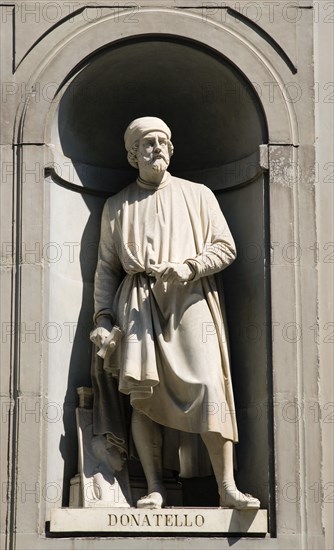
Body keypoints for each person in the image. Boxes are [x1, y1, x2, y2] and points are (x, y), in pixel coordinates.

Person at [90, 116, 260, 510]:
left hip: (189, 299)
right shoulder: (117, 206)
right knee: (142, 394)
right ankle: (154, 488)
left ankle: (226, 487)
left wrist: (191, 267)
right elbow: (106, 268)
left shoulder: (198, 194)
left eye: (164, 142)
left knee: (208, 386)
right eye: (148, 144)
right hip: (137, 303)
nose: (157, 150)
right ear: (133, 155)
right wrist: (102, 318)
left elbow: (226, 247)